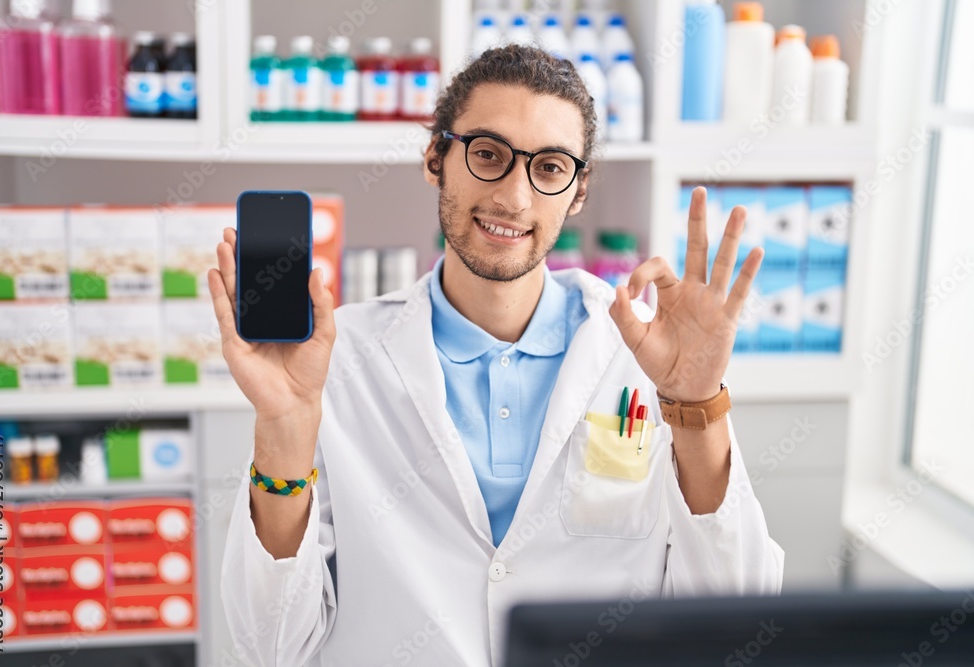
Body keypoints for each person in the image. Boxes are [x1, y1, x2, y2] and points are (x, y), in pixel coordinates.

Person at [211, 45, 783, 667]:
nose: (514, 196)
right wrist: (284, 428)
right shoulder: (332, 363)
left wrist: (697, 406)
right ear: (436, 158)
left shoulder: (644, 354)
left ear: (579, 191)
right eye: (487, 154)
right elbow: (269, 648)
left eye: (550, 167)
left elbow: (736, 621)